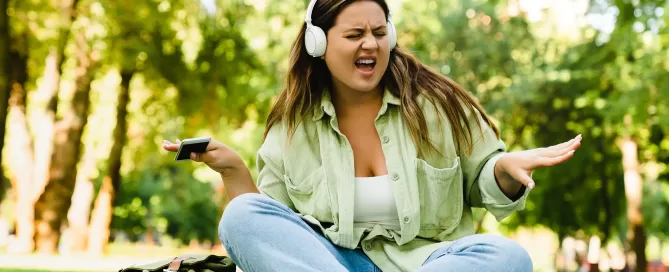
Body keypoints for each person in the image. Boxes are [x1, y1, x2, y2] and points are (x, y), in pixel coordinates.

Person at [163, 0, 582, 271]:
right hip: (334, 263)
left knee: (508, 258)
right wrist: (234, 171)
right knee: (240, 215)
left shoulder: (440, 106)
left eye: (379, 33)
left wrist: (505, 168)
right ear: (318, 42)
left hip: (427, 263)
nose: (371, 44)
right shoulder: (289, 129)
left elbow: (485, 178)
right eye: (354, 35)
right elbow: (276, 235)